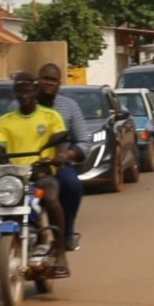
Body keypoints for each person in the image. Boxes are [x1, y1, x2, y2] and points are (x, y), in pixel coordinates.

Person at [0, 71, 70, 278]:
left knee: (52, 199)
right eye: (19, 90)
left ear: (36, 91)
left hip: (40, 172)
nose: (24, 94)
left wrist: (60, 155)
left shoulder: (50, 116)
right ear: (14, 94)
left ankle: (60, 253)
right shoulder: (5, 121)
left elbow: (61, 140)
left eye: (28, 90)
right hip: (11, 176)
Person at [34, 64, 87, 252]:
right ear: (37, 80)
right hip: (26, 165)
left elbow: (83, 142)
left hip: (58, 165)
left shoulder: (69, 106)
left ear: (59, 84)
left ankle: (68, 230)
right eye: (44, 79)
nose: (48, 83)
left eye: (53, 80)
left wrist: (65, 155)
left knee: (72, 185)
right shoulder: (23, 106)